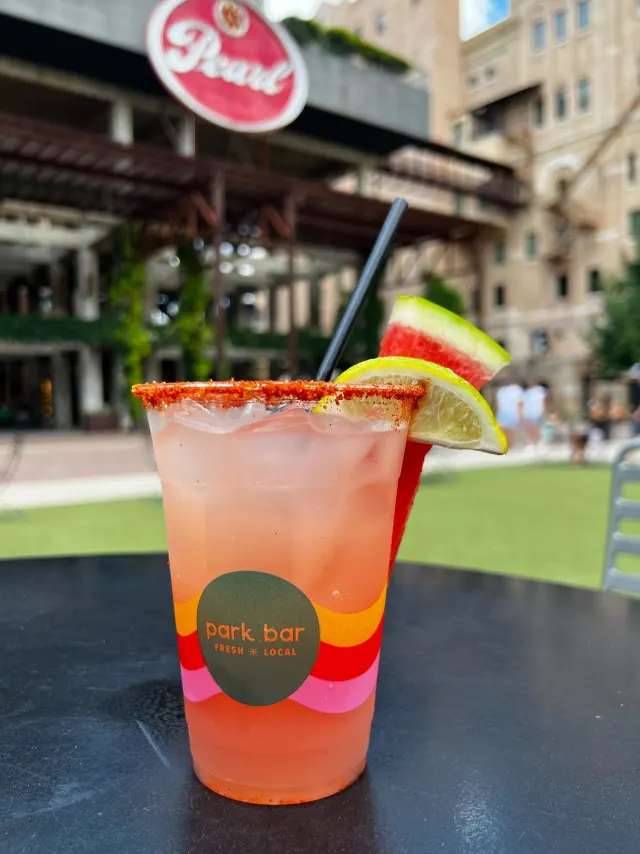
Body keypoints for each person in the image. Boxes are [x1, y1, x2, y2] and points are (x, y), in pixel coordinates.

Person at [496, 380, 524, 447]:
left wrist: (520, 414)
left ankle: (511, 445)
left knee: (511, 431)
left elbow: (520, 403)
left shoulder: (516, 389)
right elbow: (498, 404)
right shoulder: (501, 390)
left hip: (513, 414)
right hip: (503, 414)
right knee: (503, 431)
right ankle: (507, 445)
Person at [523, 380, 548, 446]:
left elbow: (544, 401)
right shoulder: (526, 392)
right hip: (528, 412)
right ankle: (533, 442)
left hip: (538, 411)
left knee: (537, 427)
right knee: (530, 428)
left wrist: (544, 410)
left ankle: (538, 442)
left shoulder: (540, 390)